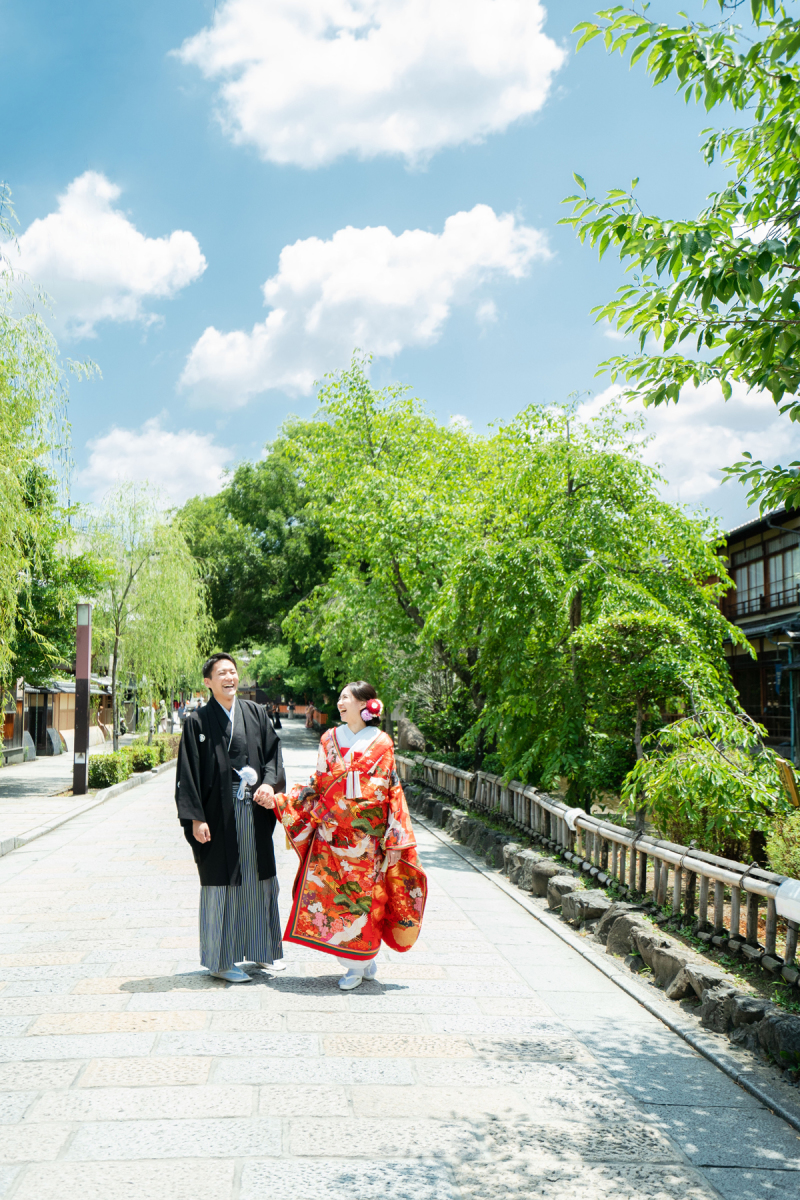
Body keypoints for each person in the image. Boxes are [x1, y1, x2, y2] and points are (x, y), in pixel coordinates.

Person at [256, 681, 427, 990]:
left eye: (346, 697)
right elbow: (318, 783)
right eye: (339, 697)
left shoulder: (382, 743)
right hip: (331, 837)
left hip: (367, 841)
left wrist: (394, 839)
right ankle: (360, 962)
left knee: (365, 900)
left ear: (365, 704)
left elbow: (391, 789)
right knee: (335, 901)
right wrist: (284, 801)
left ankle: (357, 965)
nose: (340, 702)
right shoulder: (329, 739)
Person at [175, 652, 286, 984]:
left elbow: (273, 755)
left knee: (258, 878)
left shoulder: (255, 712)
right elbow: (187, 773)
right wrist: (196, 818)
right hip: (217, 813)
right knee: (221, 884)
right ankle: (220, 960)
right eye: (221, 673)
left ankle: (262, 950)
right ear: (208, 682)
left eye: (233, 672)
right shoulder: (197, 721)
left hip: (254, 809)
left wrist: (269, 784)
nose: (229, 677)